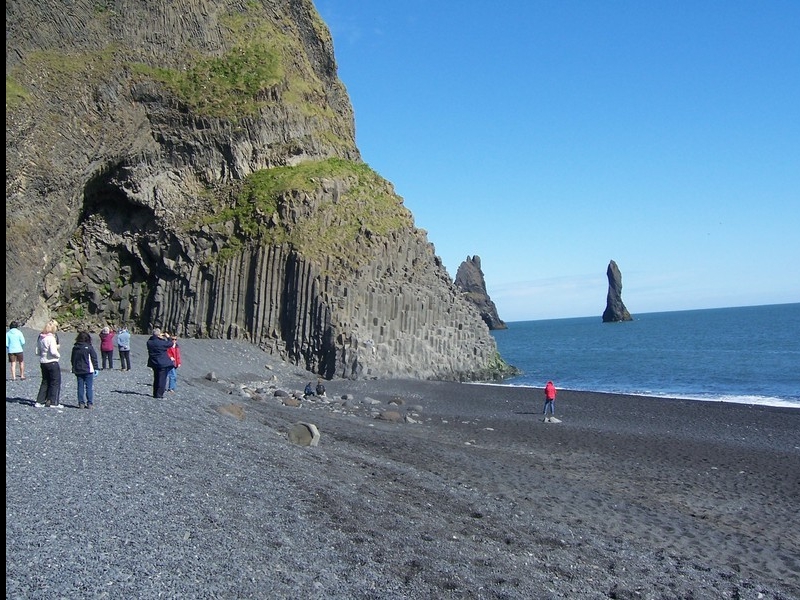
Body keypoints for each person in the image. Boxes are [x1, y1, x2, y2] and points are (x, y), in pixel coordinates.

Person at [35, 319, 61, 407]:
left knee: (45, 381)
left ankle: (40, 401)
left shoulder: (41, 337)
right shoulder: (51, 338)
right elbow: (53, 351)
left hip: (43, 362)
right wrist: (58, 355)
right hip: (52, 362)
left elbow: (37, 351)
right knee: (55, 382)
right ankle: (53, 402)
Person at [71, 331, 99, 409]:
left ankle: (81, 403)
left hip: (78, 370)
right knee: (88, 387)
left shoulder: (75, 347)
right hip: (88, 370)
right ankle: (90, 403)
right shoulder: (89, 347)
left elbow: (73, 359)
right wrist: (96, 368)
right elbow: (94, 358)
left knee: (80, 386)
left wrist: (74, 367)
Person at [146, 327, 174, 399]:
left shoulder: (149, 342)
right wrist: (168, 337)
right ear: (158, 335)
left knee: (156, 378)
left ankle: (155, 393)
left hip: (154, 362)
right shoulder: (161, 343)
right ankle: (159, 394)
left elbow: (152, 339)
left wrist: (158, 336)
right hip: (162, 363)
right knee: (162, 379)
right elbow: (170, 343)